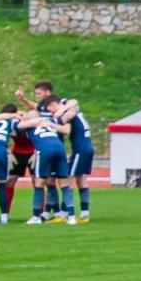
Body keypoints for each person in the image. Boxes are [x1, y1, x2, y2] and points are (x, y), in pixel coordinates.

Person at [45, 93, 95, 224]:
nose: (50, 111)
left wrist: (55, 122)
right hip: (87, 146)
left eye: (49, 108)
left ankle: (64, 212)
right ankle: (84, 214)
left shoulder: (67, 110)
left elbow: (72, 107)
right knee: (81, 179)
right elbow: (74, 103)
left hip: (81, 148)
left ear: (53, 105)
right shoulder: (70, 108)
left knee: (66, 179)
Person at [18, 108, 69, 224]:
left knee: (39, 182)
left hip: (45, 151)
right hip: (59, 148)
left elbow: (20, 125)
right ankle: (61, 213)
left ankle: (36, 216)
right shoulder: (50, 121)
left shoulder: (31, 125)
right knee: (53, 183)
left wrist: (31, 119)